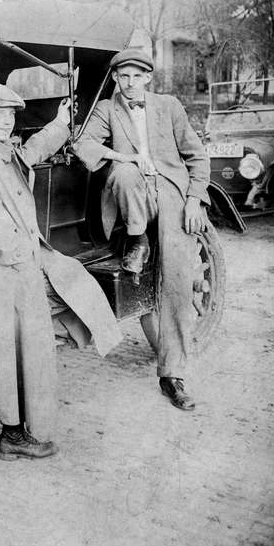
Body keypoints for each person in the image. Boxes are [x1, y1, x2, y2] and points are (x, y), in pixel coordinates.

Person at [0, 82, 122, 461]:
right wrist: (22, 257)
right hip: (5, 271)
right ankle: (12, 433)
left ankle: (21, 428)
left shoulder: (1, 151)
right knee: (8, 349)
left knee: (36, 338)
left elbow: (31, 151)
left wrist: (61, 123)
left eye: (11, 116)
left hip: (20, 265)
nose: (5, 123)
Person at [70, 48, 210, 411]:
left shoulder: (170, 107)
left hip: (173, 199)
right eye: (123, 76)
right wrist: (126, 156)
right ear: (115, 78)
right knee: (126, 173)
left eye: (137, 76)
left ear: (148, 78)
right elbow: (83, 144)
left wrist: (194, 199)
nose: (130, 83)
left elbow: (197, 156)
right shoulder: (106, 109)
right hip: (133, 198)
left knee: (178, 282)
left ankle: (172, 375)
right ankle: (137, 239)